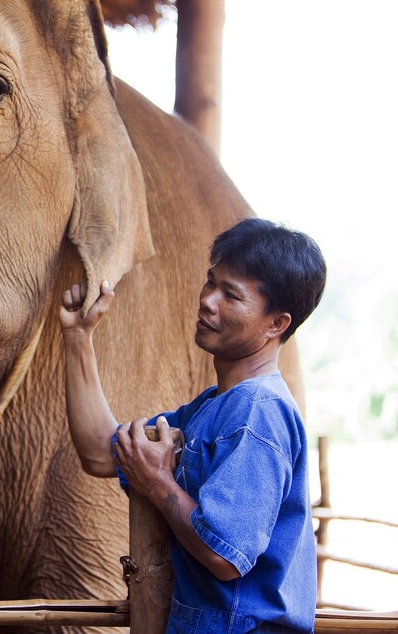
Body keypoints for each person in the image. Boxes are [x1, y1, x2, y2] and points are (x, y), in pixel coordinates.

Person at [59, 218, 326, 633]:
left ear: (277, 324)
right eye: (210, 282)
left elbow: (225, 556)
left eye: (231, 295)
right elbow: (99, 450)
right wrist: (78, 338)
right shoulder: (213, 407)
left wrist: (158, 483)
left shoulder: (258, 412)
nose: (208, 301)